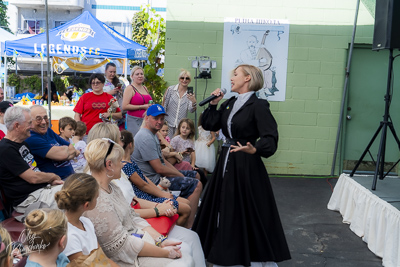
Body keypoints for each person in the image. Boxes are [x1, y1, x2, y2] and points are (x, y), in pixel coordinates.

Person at [192, 64, 291, 267]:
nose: (231, 78)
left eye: (235, 75)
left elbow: (271, 137)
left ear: (248, 78)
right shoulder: (229, 102)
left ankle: (249, 254)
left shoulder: (258, 105)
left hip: (245, 164)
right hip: (226, 160)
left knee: (245, 208)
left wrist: (255, 149)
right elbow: (210, 124)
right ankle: (224, 251)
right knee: (222, 205)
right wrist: (213, 104)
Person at [86, 123, 206, 267]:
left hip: (136, 236)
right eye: (120, 161)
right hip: (126, 255)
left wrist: (161, 240)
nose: (123, 163)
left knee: (185, 248)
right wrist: (164, 250)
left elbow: (132, 214)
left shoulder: (112, 186)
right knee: (183, 259)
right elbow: (120, 246)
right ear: (109, 164)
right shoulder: (98, 197)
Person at [132, 104, 202, 228]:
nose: (159, 122)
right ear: (147, 118)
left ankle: (187, 211)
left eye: (162, 118)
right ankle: (188, 225)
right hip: (155, 181)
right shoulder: (145, 137)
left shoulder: (153, 134)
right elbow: (159, 168)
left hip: (159, 176)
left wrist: (177, 172)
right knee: (197, 185)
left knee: (196, 174)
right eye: (156, 118)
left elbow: (163, 161)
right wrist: (179, 174)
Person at [120, 129, 191, 227]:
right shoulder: (125, 165)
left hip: (151, 194)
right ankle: (174, 230)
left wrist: (159, 190)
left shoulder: (130, 161)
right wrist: (162, 194)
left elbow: (145, 179)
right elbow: (143, 185)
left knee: (187, 202)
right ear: (131, 145)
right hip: (145, 198)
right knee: (186, 210)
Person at [0, 106, 63, 215]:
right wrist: (52, 177)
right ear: (17, 126)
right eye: (29, 123)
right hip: (27, 201)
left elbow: (35, 171)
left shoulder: (23, 143)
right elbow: (32, 178)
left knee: (79, 188)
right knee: (74, 196)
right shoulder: (5, 149)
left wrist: (51, 181)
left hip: (40, 192)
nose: (32, 126)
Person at [55, 173, 118, 266]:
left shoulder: (86, 222)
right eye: (97, 197)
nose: (98, 199)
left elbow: (101, 257)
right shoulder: (69, 237)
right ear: (86, 205)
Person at [25, 106, 77, 180]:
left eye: (45, 118)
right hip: (57, 182)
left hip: (70, 176)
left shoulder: (48, 130)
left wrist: (64, 152)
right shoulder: (31, 137)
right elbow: (62, 154)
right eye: (38, 119)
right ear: (30, 121)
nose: (43, 122)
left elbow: (71, 147)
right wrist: (66, 152)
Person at [162, 70, 197, 139]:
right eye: (182, 78)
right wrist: (162, 120)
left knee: (177, 146)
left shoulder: (190, 93)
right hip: (168, 123)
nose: (184, 80)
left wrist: (194, 102)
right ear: (179, 79)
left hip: (180, 126)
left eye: (187, 78)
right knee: (166, 143)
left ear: (189, 80)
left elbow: (191, 110)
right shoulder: (171, 89)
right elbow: (164, 104)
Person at [122, 66, 153, 136]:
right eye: (137, 74)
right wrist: (142, 107)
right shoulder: (130, 88)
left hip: (145, 120)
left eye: (141, 74)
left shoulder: (144, 88)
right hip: (134, 121)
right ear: (132, 76)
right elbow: (124, 106)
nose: (140, 76)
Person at [103, 62, 126, 130]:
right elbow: (97, 96)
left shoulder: (120, 82)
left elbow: (126, 96)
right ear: (105, 71)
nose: (112, 74)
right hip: (105, 112)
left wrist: (121, 93)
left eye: (114, 72)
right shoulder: (101, 82)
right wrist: (110, 93)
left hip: (119, 113)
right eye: (110, 72)